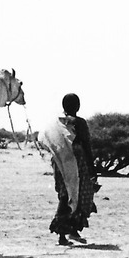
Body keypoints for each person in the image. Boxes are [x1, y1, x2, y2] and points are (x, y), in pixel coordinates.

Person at [49, 92, 98, 246]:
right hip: (77, 163)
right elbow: (86, 145)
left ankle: (67, 232)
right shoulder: (79, 123)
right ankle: (69, 229)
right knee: (79, 195)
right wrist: (92, 168)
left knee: (65, 195)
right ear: (77, 106)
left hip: (60, 161)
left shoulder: (57, 122)